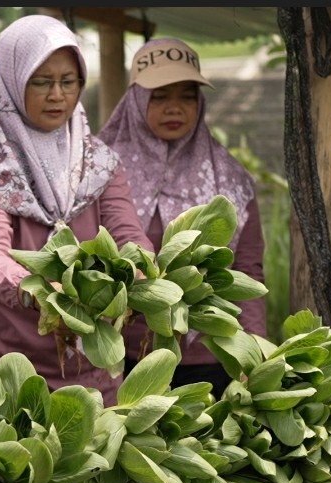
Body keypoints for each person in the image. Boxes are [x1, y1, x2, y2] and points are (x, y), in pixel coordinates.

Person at [0, 14, 154, 408]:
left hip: (90, 353)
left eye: (69, 81)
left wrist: (142, 268)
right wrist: (38, 293)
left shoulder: (98, 162)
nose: (57, 95)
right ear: (11, 81)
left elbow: (127, 230)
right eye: (41, 82)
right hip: (6, 361)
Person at [98, 37, 267, 398]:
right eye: (159, 96)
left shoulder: (230, 179)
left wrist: (253, 353)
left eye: (187, 95)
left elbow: (248, 271)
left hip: (207, 356)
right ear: (136, 100)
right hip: (120, 356)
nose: (174, 107)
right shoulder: (98, 171)